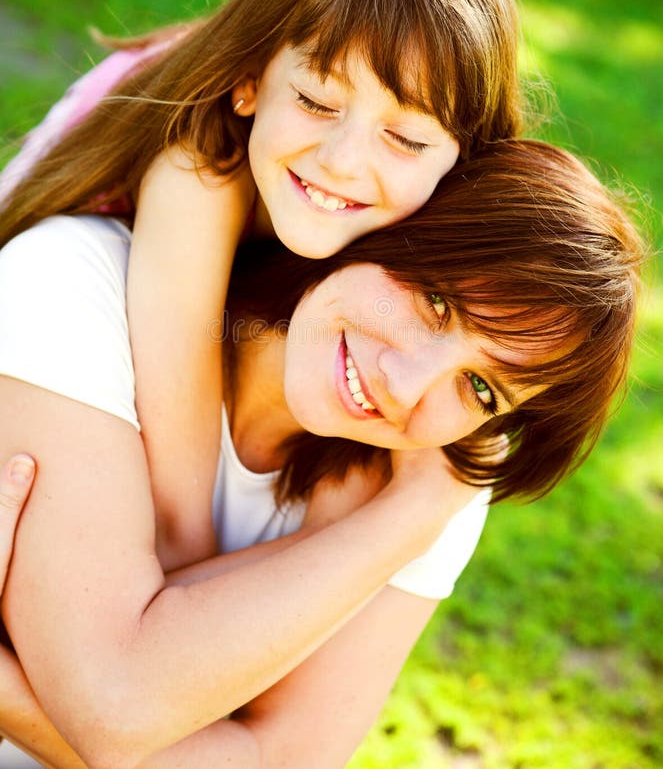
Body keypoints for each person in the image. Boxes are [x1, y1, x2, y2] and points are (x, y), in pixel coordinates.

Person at [0, 140, 643, 766]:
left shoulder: (438, 469)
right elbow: (116, 706)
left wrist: (410, 514)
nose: (407, 385)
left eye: (482, 387)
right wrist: (406, 522)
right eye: (435, 302)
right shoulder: (75, 286)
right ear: (381, 226)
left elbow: (280, 757)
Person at [0, 0, 523, 572]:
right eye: (314, 102)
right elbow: (178, 528)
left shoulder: (425, 246)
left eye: (404, 137)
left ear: (466, 158)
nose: (342, 161)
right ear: (248, 82)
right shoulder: (198, 168)